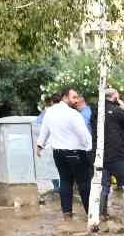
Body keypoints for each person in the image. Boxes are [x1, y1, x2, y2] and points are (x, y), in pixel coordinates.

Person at [37, 88, 94, 219]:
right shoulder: (73, 114)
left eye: (77, 97)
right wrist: (90, 149)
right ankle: (91, 214)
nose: (76, 100)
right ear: (64, 97)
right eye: (74, 97)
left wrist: (40, 145)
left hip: (58, 153)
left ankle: (67, 214)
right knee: (84, 183)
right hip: (76, 152)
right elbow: (84, 135)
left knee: (65, 181)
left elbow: (44, 131)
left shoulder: (49, 112)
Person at [97, 89, 124, 220]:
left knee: (104, 185)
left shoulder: (97, 111)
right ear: (114, 98)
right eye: (118, 96)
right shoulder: (117, 110)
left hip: (100, 154)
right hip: (116, 153)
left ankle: (102, 214)